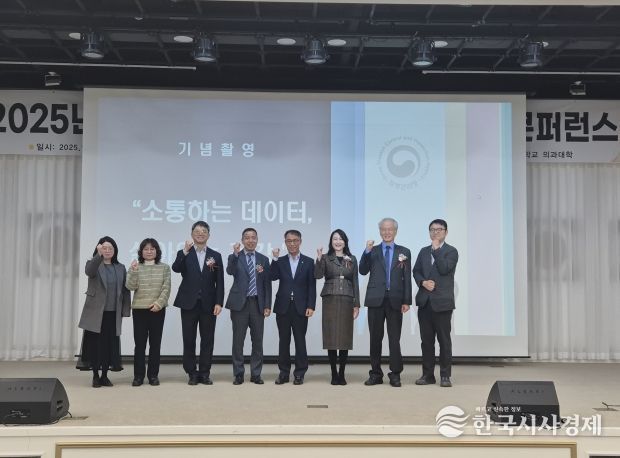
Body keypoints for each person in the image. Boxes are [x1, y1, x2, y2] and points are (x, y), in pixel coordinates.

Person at [359, 217, 412, 387]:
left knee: (394, 339)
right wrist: (366, 251)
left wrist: (407, 300)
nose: (387, 232)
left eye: (390, 229)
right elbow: (362, 270)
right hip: (375, 299)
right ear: (380, 231)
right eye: (384, 229)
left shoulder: (404, 251)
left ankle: (395, 374)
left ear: (395, 231)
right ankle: (375, 373)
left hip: (395, 300)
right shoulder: (372, 250)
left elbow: (407, 278)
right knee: (375, 338)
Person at [172, 221, 224, 385]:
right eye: (197, 231)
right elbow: (176, 268)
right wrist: (184, 252)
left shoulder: (215, 256)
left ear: (209, 235)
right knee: (189, 339)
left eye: (204, 231)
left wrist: (219, 302)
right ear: (192, 234)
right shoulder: (185, 253)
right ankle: (191, 373)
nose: (200, 234)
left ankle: (204, 373)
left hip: (209, 304)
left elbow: (219, 282)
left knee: (207, 340)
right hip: (188, 303)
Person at [78, 236, 131, 388]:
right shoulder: (93, 264)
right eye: (104, 248)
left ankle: (105, 376)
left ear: (115, 251)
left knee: (109, 345)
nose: (107, 250)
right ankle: (95, 375)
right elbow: (89, 272)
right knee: (96, 345)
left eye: (110, 248)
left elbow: (125, 290)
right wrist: (98, 255)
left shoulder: (120, 267)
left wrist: (125, 310)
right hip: (96, 313)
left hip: (113, 313)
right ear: (99, 249)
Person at [412, 219, 459, 388]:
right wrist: (423, 282)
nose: (435, 232)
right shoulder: (423, 251)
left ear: (446, 232)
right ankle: (428, 375)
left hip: (442, 303)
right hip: (425, 302)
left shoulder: (451, 251)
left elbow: (445, 269)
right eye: (432, 229)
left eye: (439, 229)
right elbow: (416, 271)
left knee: (444, 341)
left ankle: (445, 375)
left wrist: (437, 249)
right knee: (426, 342)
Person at [225, 228, 272, 385]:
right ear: (242, 240)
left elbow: (267, 284)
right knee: (238, 341)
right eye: (247, 238)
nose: (250, 240)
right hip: (240, 304)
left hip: (258, 304)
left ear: (257, 240)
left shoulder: (263, 259)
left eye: (253, 237)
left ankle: (256, 374)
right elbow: (230, 271)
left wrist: (267, 305)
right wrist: (235, 254)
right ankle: (238, 373)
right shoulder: (235, 257)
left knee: (257, 340)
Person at [315, 229, 360, 385]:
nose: (338, 241)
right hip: (330, 299)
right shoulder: (326, 258)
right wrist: (319, 259)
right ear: (331, 242)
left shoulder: (352, 259)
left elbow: (355, 281)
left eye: (341, 239)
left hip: (347, 299)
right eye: (335, 239)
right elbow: (318, 275)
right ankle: (334, 373)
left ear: (345, 242)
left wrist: (356, 304)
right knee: (332, 337)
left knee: (344, 337)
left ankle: (342, 373)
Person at [271, 230, 316, 385]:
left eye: (295, 240)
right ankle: (284, 373)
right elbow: (272, 276)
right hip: (283, 306)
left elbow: (311, 286)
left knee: (300, 340)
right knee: (283, 340)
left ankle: (299, 373)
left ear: (300, 241)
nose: (292, 243)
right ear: (285, 242)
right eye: (289, 241)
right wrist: (274, 259)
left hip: (301, 307)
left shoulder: (308, 262)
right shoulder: (280, 261)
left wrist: (311, 305)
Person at [126, 238, 171, 387]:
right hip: (139, 310)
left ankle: (153, 376)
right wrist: (133, 271)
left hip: (158, 310)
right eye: (146, 249)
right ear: (141, 252)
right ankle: (138, 376)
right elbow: (130, 286)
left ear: (157, 251)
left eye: (152, 249)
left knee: (155, 344)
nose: (149, 252)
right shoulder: (136, 267)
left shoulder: (165, 268)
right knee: (139, 345)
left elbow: (166, 288)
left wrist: (159, 304)